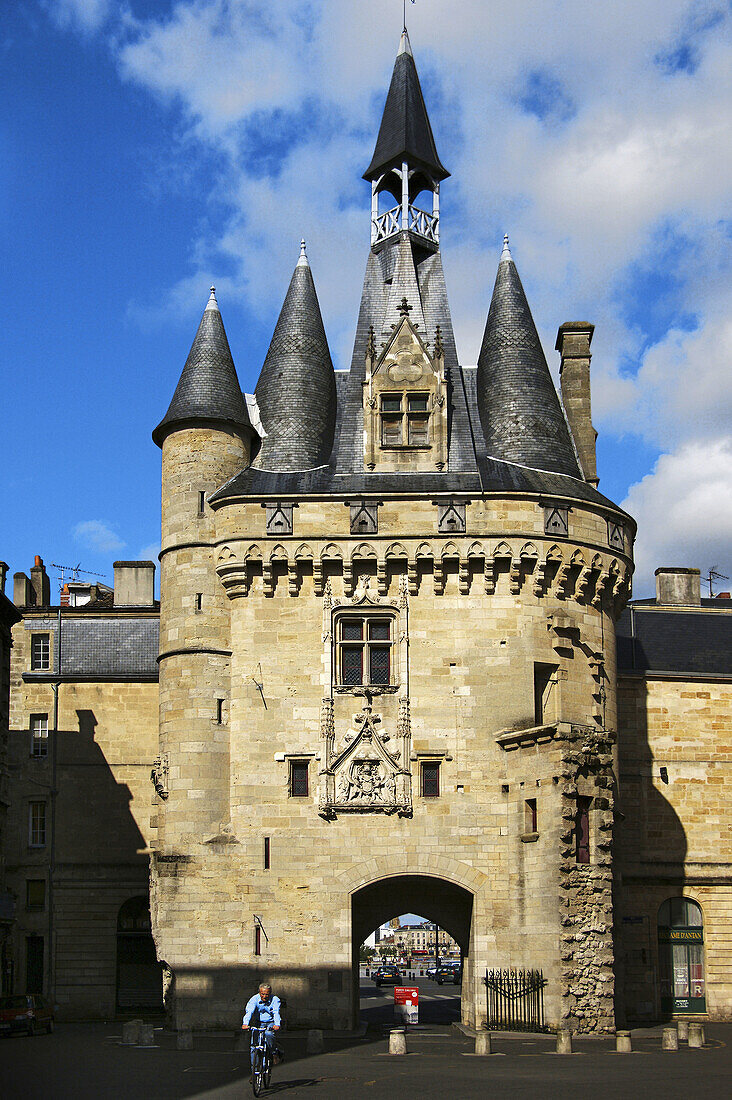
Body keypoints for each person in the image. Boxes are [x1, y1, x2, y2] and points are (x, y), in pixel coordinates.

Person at [241, 983, 284, 1067]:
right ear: (259, 993)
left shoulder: (275, 999)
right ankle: (254, 1070)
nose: (264, 996)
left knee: (269, 1034)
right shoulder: (254, 999)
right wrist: (245, 1023)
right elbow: (249, 1012)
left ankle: (274, 1052)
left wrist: (277, 1024)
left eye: (267, 994)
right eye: (262, 994)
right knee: (254, 1047)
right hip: (258, 1022)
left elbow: (276, 1013)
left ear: (270, 993)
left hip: (270, 1023)